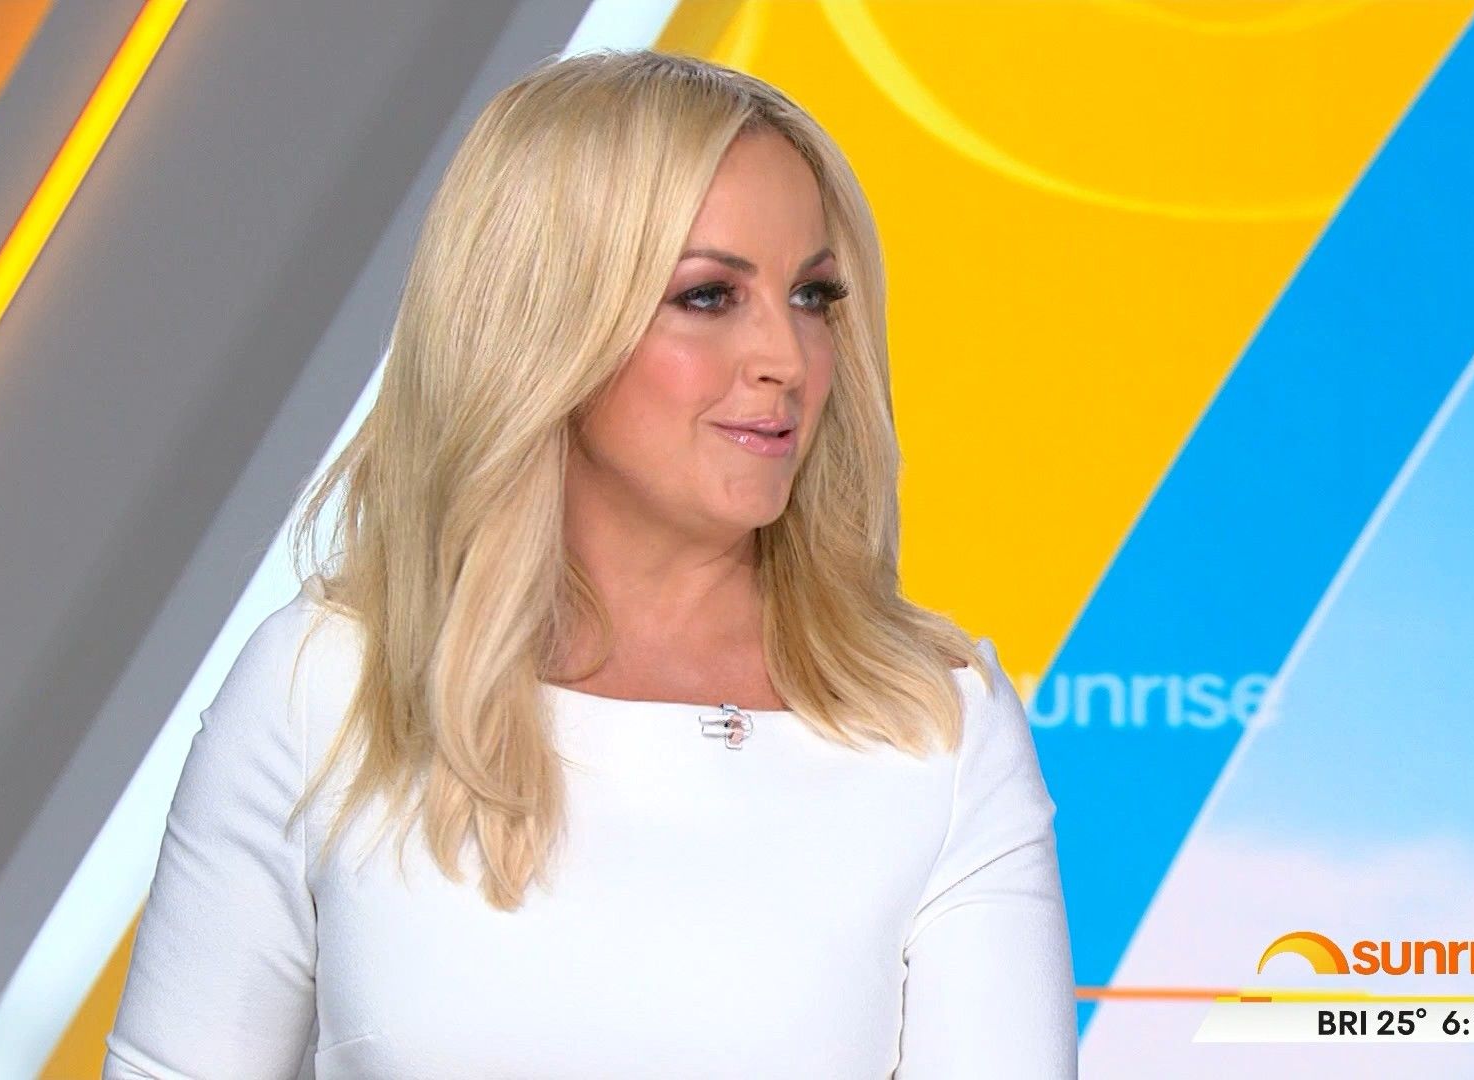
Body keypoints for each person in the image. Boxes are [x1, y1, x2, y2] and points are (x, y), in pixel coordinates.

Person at [105, 48, 1076, 1079]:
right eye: (710, 296)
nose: (786, 359)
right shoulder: (325, 684)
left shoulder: (933, 727)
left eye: (812, 296)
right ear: (542, 319)